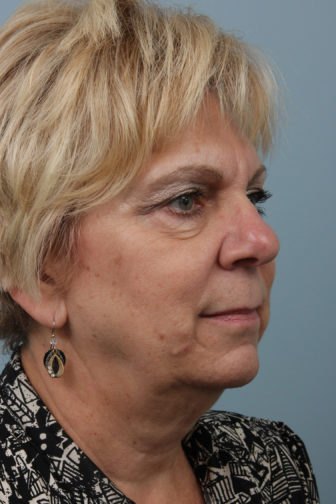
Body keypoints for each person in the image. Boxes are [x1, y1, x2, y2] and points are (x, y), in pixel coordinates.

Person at [0, 0, 319, 502]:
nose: (262, 240)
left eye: (256, 198)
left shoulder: (272, 464)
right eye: (186, 200)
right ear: (40, 273)